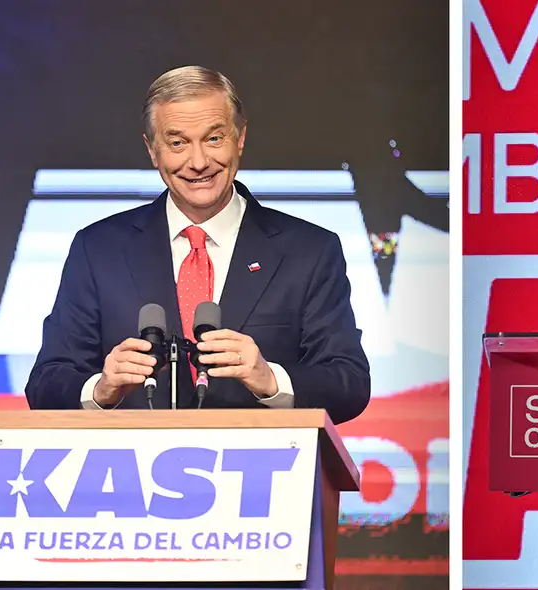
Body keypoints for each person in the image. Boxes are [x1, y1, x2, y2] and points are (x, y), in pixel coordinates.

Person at [25, 66, 370, 424]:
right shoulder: (98, 249)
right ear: (152, 151)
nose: (199, 162)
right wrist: (100, 389)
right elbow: (46, 384)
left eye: (214, 139)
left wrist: (271, 380)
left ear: (240, 138)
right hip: (130, 474)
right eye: (177, 143)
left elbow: (350, 383)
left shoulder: (310, 251)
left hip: (263, 473)